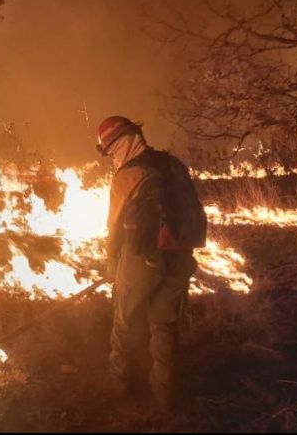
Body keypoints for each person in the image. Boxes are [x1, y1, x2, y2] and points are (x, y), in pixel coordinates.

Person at [96, 115, 206, 411]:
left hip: (142, 257)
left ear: (123, 143)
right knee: (163, 324)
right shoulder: (173, 163)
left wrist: (111, 261)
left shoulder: (127, 176)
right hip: (180, 257)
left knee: (123, 319)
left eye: (111, 151)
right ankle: (164, 393)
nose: (112, 157)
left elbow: (114, 225)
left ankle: (117, 383)